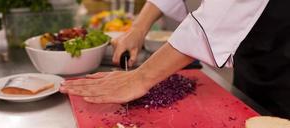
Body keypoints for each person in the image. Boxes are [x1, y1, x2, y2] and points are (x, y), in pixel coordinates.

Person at [60, 0, 290, 119]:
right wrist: (139, 28)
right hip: (253, 47)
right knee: (250, 115)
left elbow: (228, 7)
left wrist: (140, 78)